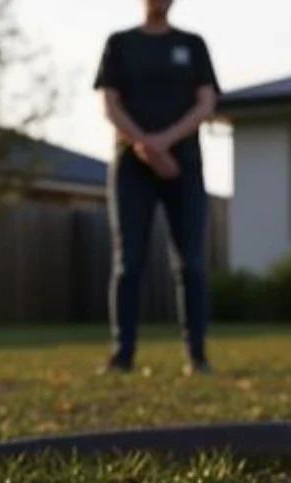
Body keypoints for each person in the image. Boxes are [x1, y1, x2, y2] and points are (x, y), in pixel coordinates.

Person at [92, 0, 220, 375]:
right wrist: (144, 145)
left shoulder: (192, 45)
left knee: (191, 264)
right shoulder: (120, 44)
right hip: (132, 166)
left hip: (184, 167)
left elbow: (206, 102)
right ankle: (122, 355)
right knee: (128, 262)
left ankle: (196, 355)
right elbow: (110, 105)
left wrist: (164, 142)